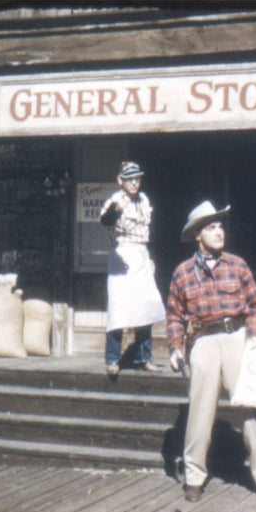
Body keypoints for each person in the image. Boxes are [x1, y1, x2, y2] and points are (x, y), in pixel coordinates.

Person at [165, 200, 256, 503]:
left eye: (220, 226)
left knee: (248, 408)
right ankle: (194, 477)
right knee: (200, 413)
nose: (218, 232)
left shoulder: (237, 265)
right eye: (211, 227)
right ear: (197, 235)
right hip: (202, 342)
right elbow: (174, 315)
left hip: (236, 338)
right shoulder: (183, 273)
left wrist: (253, 335)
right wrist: (175, 348)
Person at [100, 161, 166, 376]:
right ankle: (112, 359)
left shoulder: (144, 200)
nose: (135, 183)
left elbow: (151, 230)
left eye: (137, 178)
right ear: (121, 181)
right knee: (119, 307)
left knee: (145, 306)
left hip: (141, 254)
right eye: (130, 179)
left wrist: (152, 257)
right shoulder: (116, 200)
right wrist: (115, 211)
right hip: (122, 255)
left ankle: (143, 358)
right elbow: (105, 220)